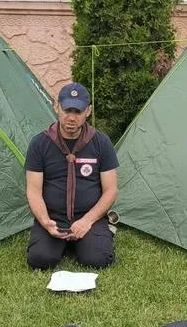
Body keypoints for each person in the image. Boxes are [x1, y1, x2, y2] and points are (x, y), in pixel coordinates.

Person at [25, 82, 118, 270]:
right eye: (67, 110)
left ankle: (91, 238)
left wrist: (87, 221)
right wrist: (45, 221)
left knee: (98, 259)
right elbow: (33, 191)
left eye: (78, 111)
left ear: (88, 111)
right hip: (54, 217)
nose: (71, 118)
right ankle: (62, 242)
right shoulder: (39, 143)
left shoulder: (101, 142)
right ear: (57, 107)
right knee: (40, 260)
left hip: (89, 216)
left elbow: (111, 190)